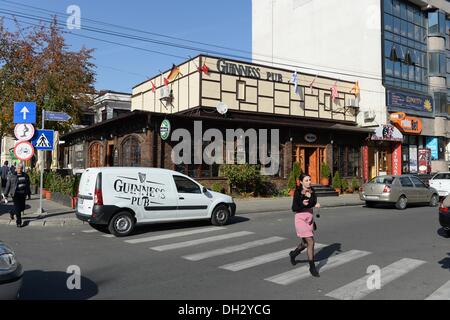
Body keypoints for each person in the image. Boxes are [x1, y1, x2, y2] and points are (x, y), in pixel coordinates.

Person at [289, 173, 321, 277]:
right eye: (306, 180)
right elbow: (294, 208)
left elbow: (313, 201)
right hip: (300, 219)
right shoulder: (297, 192)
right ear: (301, 182)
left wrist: (313, 202)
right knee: (311, 242)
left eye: (310, 180)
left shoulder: (312, 191)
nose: (309, 182)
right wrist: (304, 204)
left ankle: (293, 254)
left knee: (305, 243)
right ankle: (312, 267)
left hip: (310, 218)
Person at [4, 163, 31, 228]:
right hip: (15, 194)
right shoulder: (12, 175)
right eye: (18, 168)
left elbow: (28, 185)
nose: (19, 169)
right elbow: (8, 185)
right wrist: (5, 194)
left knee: (22, 208)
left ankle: (12, 212)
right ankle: (19, 222)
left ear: (22, 169)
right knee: (18, 208)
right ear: (16, 169)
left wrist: (29, 193)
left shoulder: (25, 175)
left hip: (23, 194)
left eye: (21, 168)